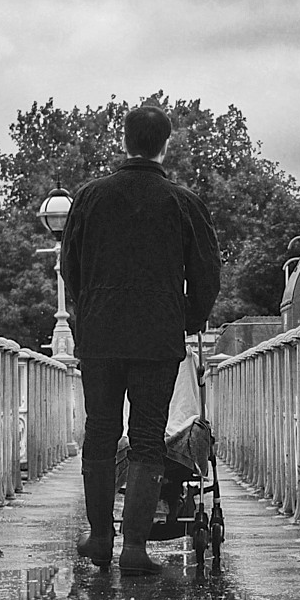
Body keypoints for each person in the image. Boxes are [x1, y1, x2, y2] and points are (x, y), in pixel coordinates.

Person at [61, 103, 221, 575]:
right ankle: (134, 549)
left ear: (124, 140)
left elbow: (70, 266)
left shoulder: (90, 198)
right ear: (165, 143)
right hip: (157, 336)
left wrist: (85, 311)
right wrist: (186, 318)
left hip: (102, 335)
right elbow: (207, 274)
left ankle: (99, 540)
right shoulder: (183, 202)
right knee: (148, 437)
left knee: (101, 432)